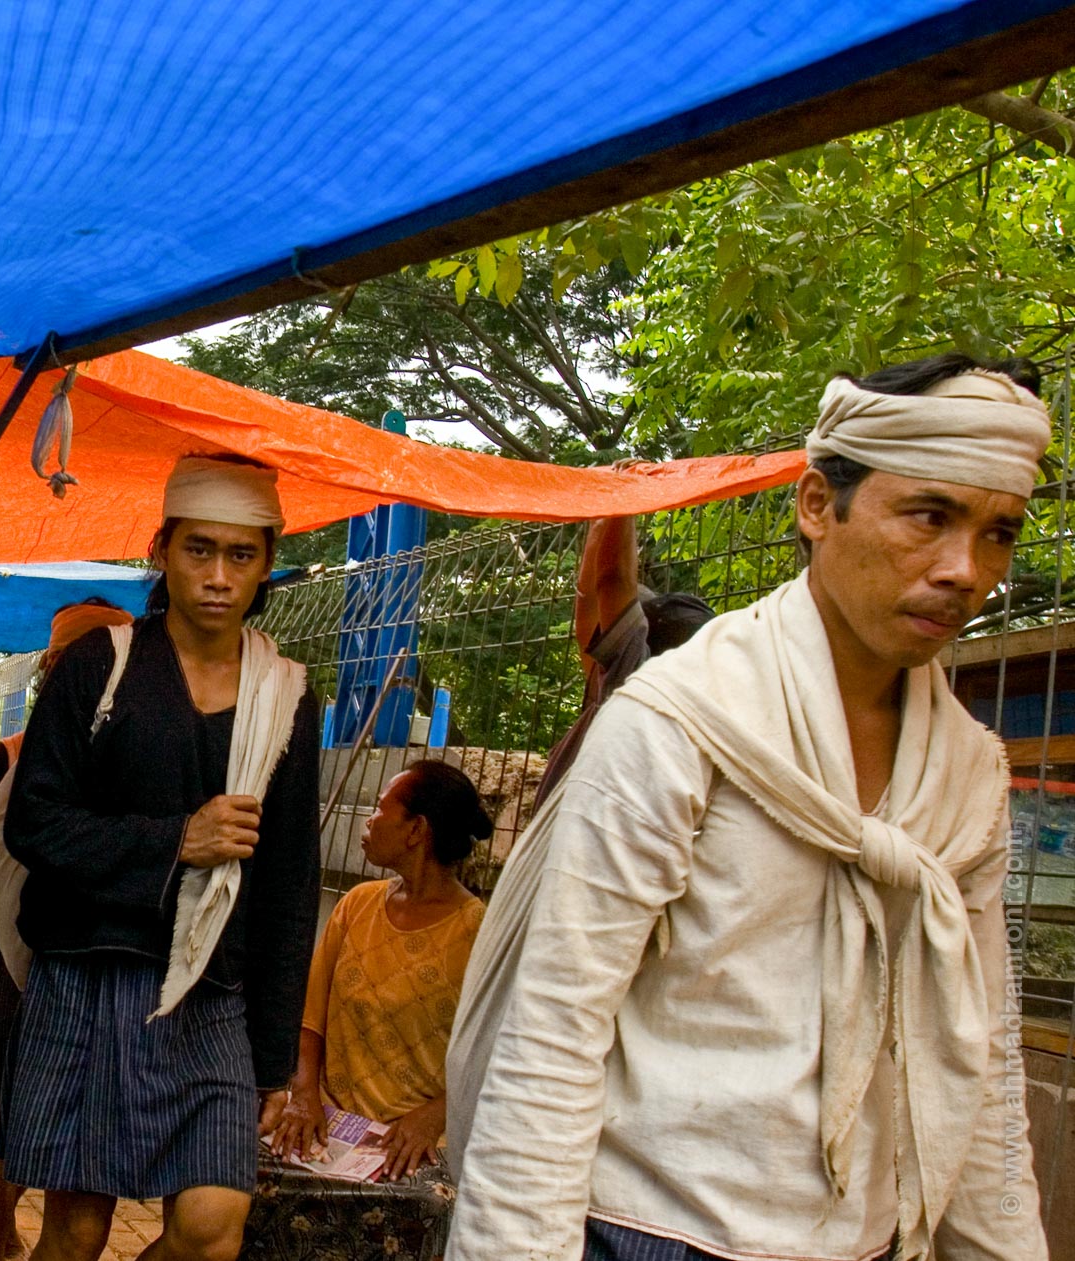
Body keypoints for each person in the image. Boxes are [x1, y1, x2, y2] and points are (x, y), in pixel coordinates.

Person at [445, 354, 1052, 1260]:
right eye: (929, 516)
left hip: (865, 1238)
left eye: (998, 533)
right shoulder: (678, 723)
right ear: (817, 504)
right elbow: (555, 1033)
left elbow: (983, 1052)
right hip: (645, 1229)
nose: (966, 570)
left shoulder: (966, 772)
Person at [2, 455, 322, 1261]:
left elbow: (288, 883)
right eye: (198, 549)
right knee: (76, 1231)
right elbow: (33, 823)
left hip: (211, 991)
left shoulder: (286, 695)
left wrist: (274, 1058)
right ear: (162, 550)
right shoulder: (99, 667)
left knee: (212, 1229)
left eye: (241, 555)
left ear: (267, 564)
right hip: (90, 973)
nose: (218, 576)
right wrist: (179, 840)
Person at [0, 597, 136, 1261]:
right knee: (2, 1118)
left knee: (73, 1129)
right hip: (13, 967)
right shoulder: (10, 758)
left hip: (107, 968)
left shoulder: (145, 755)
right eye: (72, 664)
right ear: (52, 670)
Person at [269, 759, 491, 1181]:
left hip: (414, 1141)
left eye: (380, 808)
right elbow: (310, 1021)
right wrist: (304, 1094)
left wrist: (435, 1116)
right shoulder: (356, 904)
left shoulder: (478, 932)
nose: (368, 820)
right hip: (326, 1122)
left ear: (416, 830)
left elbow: (494, 1054)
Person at [534, 515, 713, 807]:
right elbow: (588, 606)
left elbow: (612, 580)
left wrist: (622, 501)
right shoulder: (699, 723)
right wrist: (600, 520)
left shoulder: (629, 689)